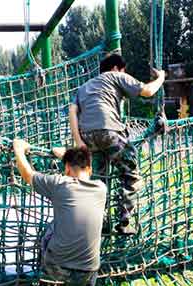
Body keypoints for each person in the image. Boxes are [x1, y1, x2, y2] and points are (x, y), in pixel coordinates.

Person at [13, 140, 107, 286]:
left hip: (56, 267)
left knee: (52, 226)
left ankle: (44, 278)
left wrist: (18, 148)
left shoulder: (60, 184)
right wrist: (65, 155)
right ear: (89, 168)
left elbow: (27, 174)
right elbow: (81, 172)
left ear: (66, 169)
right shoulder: (101, 189)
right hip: (86, 270)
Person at [69, 54, 165, 235]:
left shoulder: (84, 87)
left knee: (98, 180)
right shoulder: (116, 76)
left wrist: (79, 141)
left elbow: (72, 111)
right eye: (124, 70)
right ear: (116, 68)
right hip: (110, 132)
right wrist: (161, 77)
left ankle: (99, 222)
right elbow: (147, 91)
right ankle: (125, 222)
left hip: (87, 137)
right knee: (131, 175)